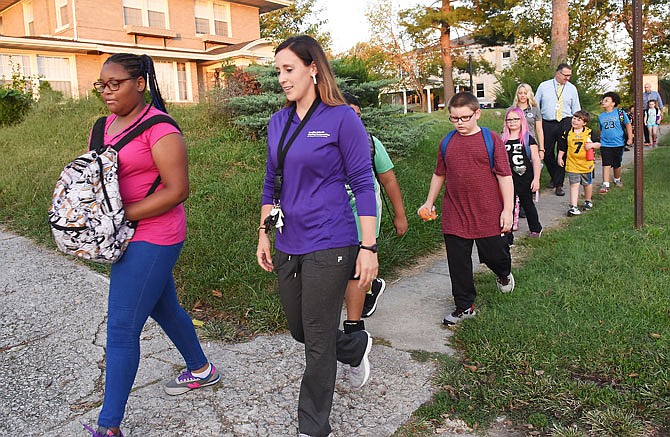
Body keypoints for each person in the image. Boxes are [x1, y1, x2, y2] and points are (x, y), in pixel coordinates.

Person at [81, 53, 220, 437]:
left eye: (115, 84)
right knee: (165, 307)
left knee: (122, 328)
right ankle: (201, 369)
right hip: (122, 233)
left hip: (156, 235)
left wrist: (122, 213)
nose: (107, 92)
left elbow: (178, 191)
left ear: (139, 83)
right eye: (102, 85)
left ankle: (108, 427)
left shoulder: (160, 129)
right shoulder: (102, 126)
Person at [255, 35, 375, 437]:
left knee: (318, 338)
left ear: (312, 68)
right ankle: (354, 348)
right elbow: (271, 183)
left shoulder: (342, 118)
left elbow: (363, 183)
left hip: (332, 237)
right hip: (290, 239)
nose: (282, 79)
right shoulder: (278, 122)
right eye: (279, 71)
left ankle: (312, 425)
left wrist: (368, 246)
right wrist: (263, 233)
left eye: (289, 69)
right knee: (300, 328)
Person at [418, 92, 514, 326]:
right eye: (454, 118)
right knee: (458, 262)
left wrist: (507, 210)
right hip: (455, 212)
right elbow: (439, 173)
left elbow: (505, 176)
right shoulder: (447, 142)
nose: (460, 123)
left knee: (495, 255)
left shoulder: (491, 140)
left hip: (488, 211)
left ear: (477, 113)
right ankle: (465, 306)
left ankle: (503, 273)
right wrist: (429, 202)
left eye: (465, 117)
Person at [341, 92, 408, 333]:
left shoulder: (371, 143)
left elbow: (388, 180)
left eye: (358, 116)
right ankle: (371, 287)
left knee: (356, 269)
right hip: (334, 218)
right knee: (343, 269)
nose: (354, 121)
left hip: (364, 218)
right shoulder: (325, 143)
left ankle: (353, 325)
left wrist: (399, 215)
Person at [535, 63, 581, 196]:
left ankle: (559, 184)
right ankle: (555, 176)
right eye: (565, 75)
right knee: (547, 153)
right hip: (548, 122)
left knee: (563, 153)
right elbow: (536, 104)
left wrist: (576, 125)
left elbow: (576, 108)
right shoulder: (544, 86)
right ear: (558, 73)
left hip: (565, 122)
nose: (567, 78)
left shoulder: (572, 89)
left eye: (569, 76)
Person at [501, 107, 543, 242]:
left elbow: (536, 160)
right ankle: (507, 233)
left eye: (515, 119)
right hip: (508, 180)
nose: (512, 122)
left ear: (521, 120)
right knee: (508, 205)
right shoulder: (503, 139)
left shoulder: (527, 138)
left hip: (525, 178)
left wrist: (536, 179)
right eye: (509, 119)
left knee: (527, 204)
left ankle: (536, 228)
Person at [510, 83, 545, 219]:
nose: (522, 95)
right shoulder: (512, 109)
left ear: (529, 94)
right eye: (520, 93)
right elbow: (505, 127)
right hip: (515, 144)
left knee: (529, 173)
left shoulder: (534, 110)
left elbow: (539, 129)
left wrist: (542, 148)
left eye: (525, 93)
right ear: (517, 95)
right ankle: (514, 203)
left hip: (530, 145)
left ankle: (526, 203)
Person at [557, 110, 601, 216]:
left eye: (578, 119)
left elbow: (599, 143)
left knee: (587, 183)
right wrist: (560, 157)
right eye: (574, 118)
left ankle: (588, 200)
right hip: (572, 162)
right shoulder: (567, 132)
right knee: (574, 184)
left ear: (584, 123)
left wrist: (592, 145)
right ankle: (573, 206)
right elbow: (563, 146)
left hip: (586, 163)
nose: (575, 121)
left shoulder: (589, 132)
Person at [597, 91, 633, 194]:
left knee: (617, 163)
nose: (603, 102)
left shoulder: (620, 113)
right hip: (605, 143)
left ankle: (617, 179)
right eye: (603, 100)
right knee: (606, 163)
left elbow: (628, 125)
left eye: (606, 100)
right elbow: (601, 129)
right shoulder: (601, 116)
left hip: (618, 143)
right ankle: (605, 184)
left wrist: (630, 138)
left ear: (613, 103)